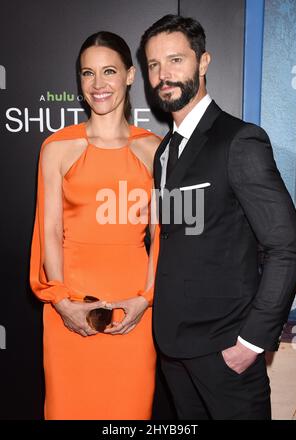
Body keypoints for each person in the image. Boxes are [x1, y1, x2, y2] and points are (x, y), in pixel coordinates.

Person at [140, 14, 296, 420]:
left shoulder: (239, 140)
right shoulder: (164, 151)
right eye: (154, 65)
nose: (163, 75)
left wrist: (251, 342)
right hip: (174, 353)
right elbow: (177, 242)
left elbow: (286, 247)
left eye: (175, 60)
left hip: (225, 351)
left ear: (204, 62)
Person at [30, 31, 160, 420]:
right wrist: (62, 300)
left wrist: (146, 298)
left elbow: (166, 234)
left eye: (109, 71)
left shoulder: (157, 149)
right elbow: (48, 231)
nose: (98, 84)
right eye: (88, 74)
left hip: (135, 307)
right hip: (69, 305)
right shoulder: (56, 148)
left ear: (131, 75)